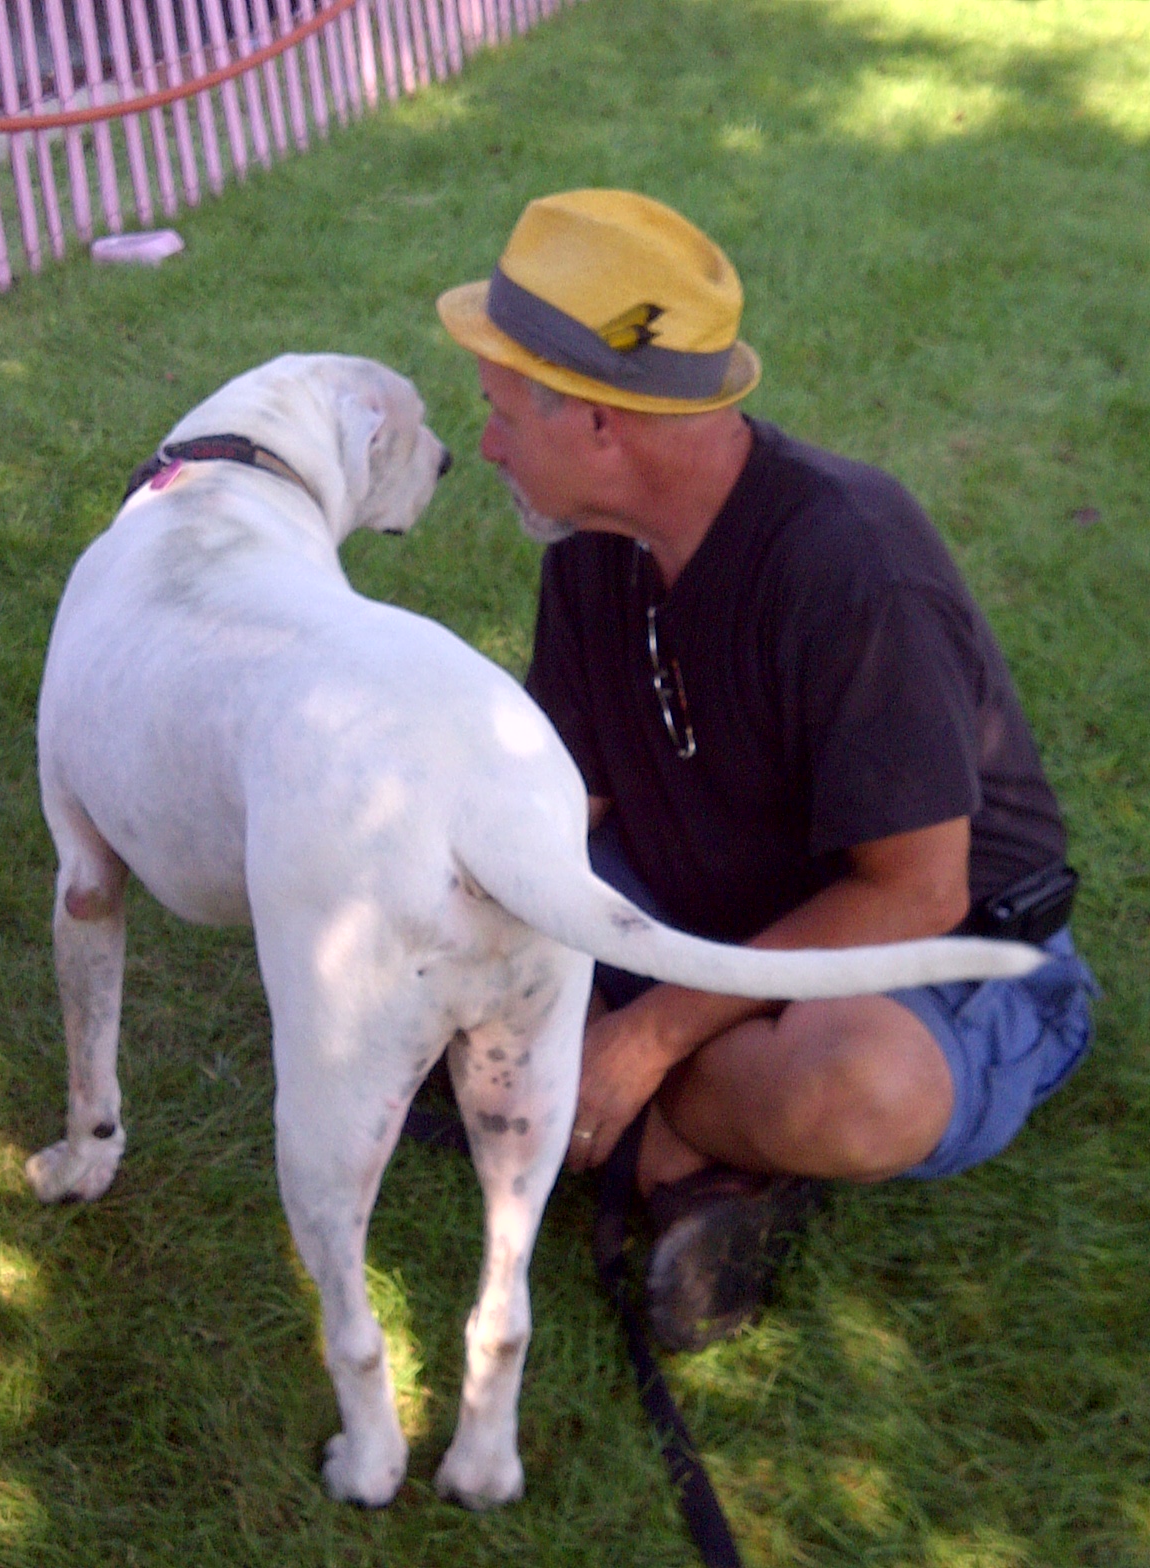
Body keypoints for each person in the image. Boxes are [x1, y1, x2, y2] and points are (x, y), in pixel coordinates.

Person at [436, 189, 1098, 1350]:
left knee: (860, 1092)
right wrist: (465, 904)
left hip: (931, 959)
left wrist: (645, 1037)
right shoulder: (593, 545)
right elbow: (565, 806)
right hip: (693, 913)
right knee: (430, 903)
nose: (486, 444)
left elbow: (915, 893)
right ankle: (692, 1163)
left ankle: (640, 1122)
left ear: (601, 421)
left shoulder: (850, 563)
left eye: (499, 412)